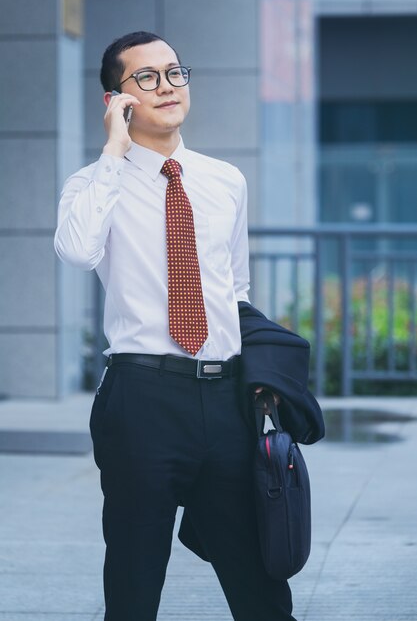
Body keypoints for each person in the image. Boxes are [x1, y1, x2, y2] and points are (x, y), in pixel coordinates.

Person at [54, 31, 299, 621]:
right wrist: (113, 153)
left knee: (261, 583)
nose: (167, 86)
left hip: (225, 400)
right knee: (134, 583)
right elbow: (77, 251)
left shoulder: (224, 181)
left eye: (174, 72)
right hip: (141, 400)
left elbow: (234, 287)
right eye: (146, 77)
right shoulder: (94, 184)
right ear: (116, 99)